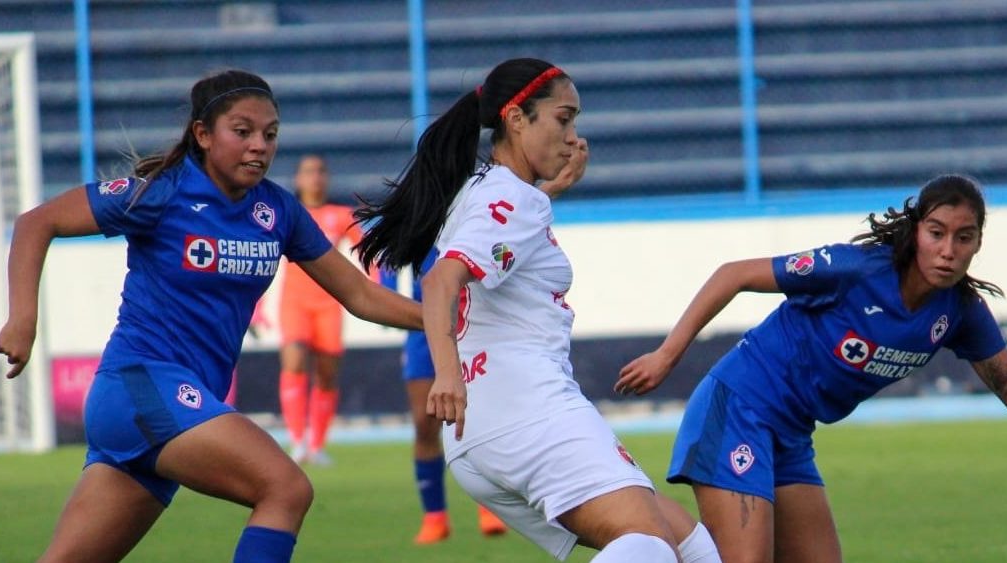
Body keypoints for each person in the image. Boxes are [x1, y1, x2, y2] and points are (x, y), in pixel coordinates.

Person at [0, 69, 422, 563]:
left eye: (270, 134)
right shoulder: (162, 193)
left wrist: (443, 322)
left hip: (169, 407)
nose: (259, 145)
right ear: (203, 134)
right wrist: (22, 319)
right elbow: (36, 222)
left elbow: (360, 296)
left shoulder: (277, 211)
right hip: (142, 386)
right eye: (242, 132)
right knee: (285, 489)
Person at [614, 173, 1007, 563]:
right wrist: (667, 355)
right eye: (937, 233)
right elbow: (733, 274)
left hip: (790, 434)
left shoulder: (960, 313)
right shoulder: (855, 269)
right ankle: (655, 535)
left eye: (963, 237)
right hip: (739, 408)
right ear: (916, 230)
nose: (948, 251)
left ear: (978, 242)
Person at [354, 58, 720, 563]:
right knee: (649, 545)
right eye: (563, 119)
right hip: (525, 407)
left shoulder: (485, 189)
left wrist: (546, 193)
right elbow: (441, 280)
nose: (573, 136)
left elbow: (496, 249)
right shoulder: (513, 198)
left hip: (483, 430)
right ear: (516, 118)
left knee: (692, 548)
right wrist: (445, 375)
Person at [381, 249, 509, 544]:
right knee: (425, 422)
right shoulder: (419, 221)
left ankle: (489, 507)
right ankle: (434, 517)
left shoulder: (472, 218)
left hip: (473, 328)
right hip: (423, 329)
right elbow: (389, 257)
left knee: (478, 419)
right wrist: (387, 294)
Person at [278, 153, 362, 466]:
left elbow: (366, 250)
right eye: (308, 171)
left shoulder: (341, 215)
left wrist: (382, 283)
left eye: (320, 171)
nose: (315, 177)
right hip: (294, 303)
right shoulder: (289, 214)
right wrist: (256, 305)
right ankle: (297, 441)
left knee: (327, 375)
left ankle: (317, 443)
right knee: (295, 361)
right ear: (298, 179)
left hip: (329, 303)